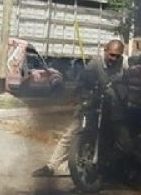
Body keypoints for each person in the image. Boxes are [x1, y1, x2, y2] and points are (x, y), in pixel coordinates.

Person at [32, 40, 126, 177]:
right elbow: (82, 82)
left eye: (118, 56)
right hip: (93, 103)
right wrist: (78, 97)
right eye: (112, 55)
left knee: (121, 137)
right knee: (71, 133)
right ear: (105, 51)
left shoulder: (124, 65)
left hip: (112, 106)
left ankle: (118, 168)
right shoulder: (95, 64)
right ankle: (51, 166)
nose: (114, 59)